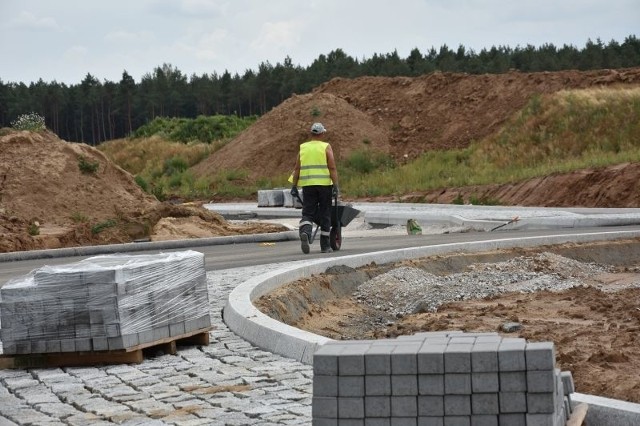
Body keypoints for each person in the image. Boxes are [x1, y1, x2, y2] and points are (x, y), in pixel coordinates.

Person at [290, 122, 339, 254]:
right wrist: (335, 185)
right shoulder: (326, 147)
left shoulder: (303, 148)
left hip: (308, 186)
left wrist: (294, 186)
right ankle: (325, 246)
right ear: (322, 133)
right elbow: (332, 167)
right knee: (325, 213)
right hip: (324, 186)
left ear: (311, 133)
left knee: (307, 212)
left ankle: (305, 232)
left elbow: (297, 168)